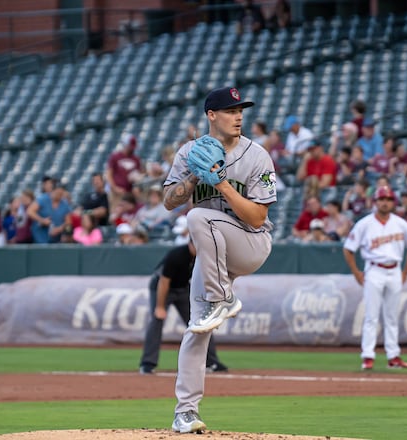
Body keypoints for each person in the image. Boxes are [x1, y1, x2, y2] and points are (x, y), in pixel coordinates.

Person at [162, 86, 276, 434]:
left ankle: (221, 297)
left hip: (250, 244)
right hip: (213, 256)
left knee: (197, 217)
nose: (238, 115)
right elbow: (169, 200)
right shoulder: (188, 153)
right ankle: (185, 412)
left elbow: (257, 218)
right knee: (198, 328)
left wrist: (222, 182)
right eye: (230, 110)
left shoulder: (257, 156)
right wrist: (196, 174)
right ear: (212, 115)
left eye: (241, 109)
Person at [343, 186, 407, 371]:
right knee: (371, 316)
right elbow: (348, 248)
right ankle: (368, 356)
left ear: (393, 202)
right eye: (382, 199)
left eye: (388, 199)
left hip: (394, 270)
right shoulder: (364, 224)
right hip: (374, 270)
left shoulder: (401, 224)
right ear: (375, 202)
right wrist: (356, 272)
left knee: (392, 316)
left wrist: (405, 272)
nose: (385, 202)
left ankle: (393, 356)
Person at [139, 241, 227, 375]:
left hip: (183, 289)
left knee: (202, 322)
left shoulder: (203, 258)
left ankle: (212, 362)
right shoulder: (177, 255)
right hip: (162, 289)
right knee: (156, 321)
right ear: (191, 244)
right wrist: (160, 307)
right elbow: (164, 282)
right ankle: (147, 364)